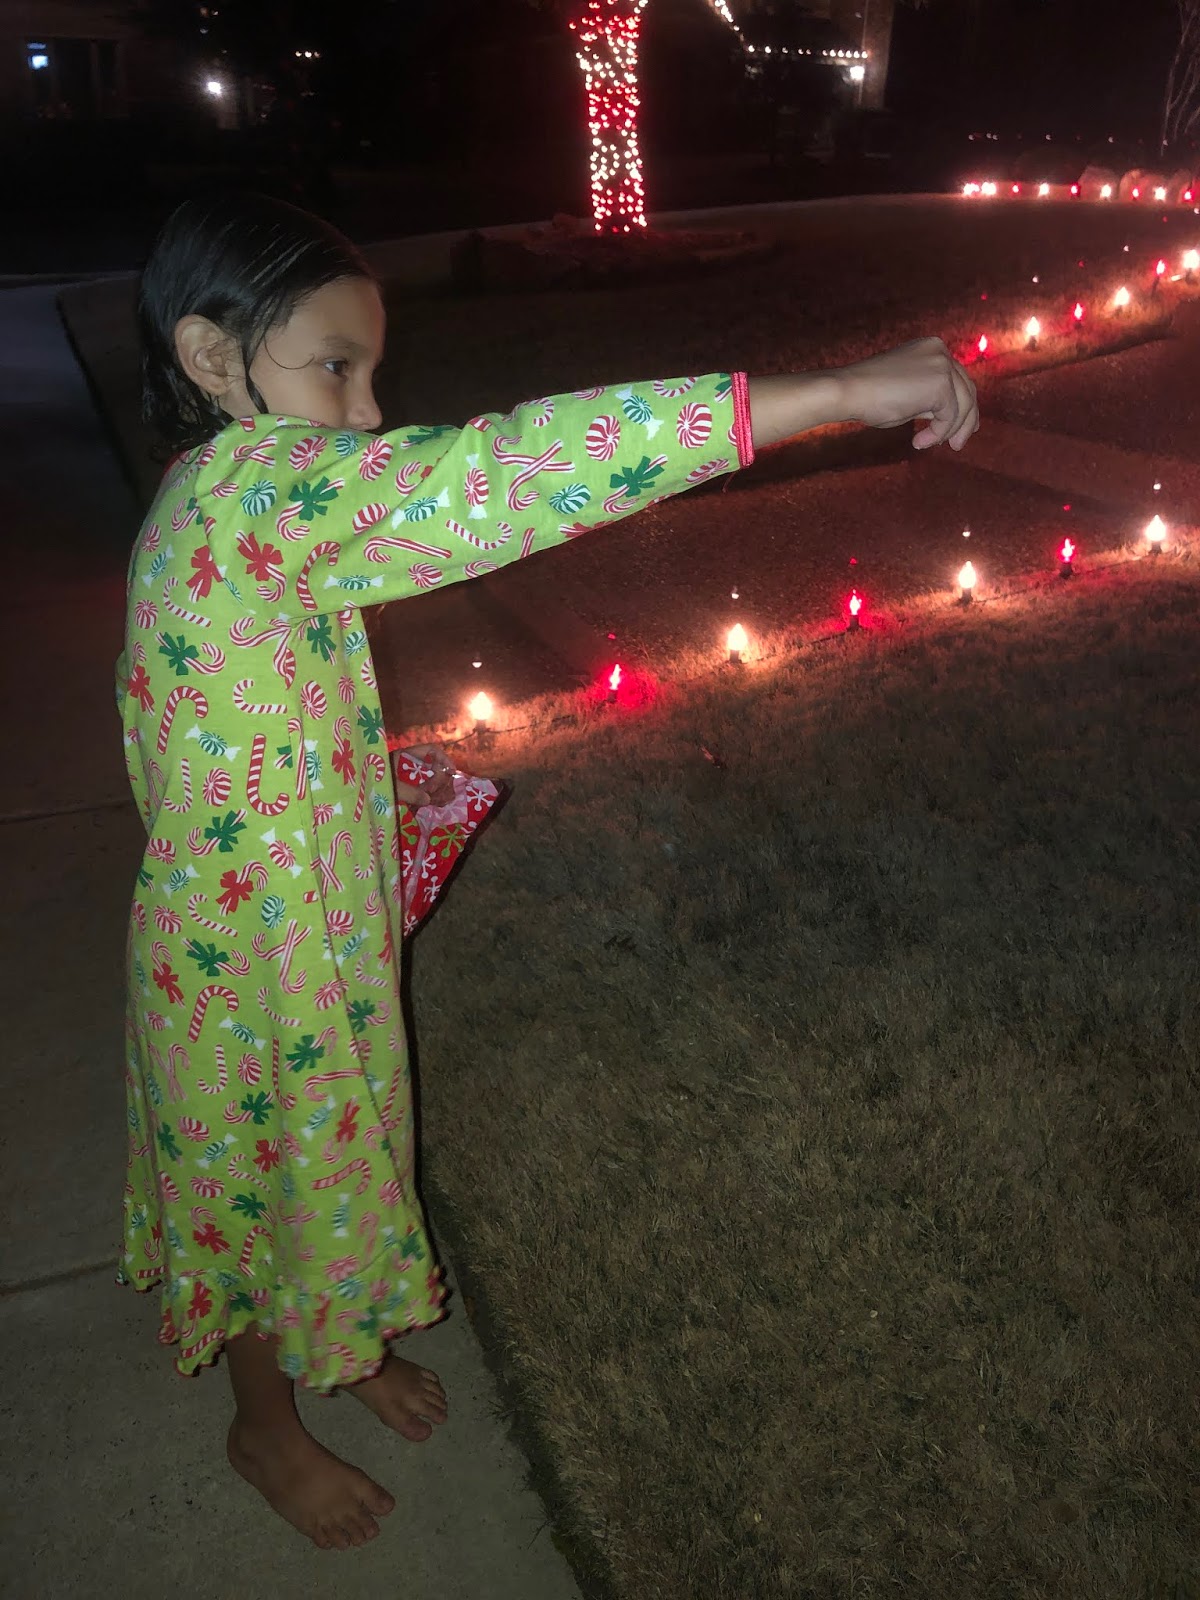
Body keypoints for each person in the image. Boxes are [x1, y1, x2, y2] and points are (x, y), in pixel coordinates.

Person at [118, 191, 977, 1552]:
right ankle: (263, 1423)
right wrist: (828, 394)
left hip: (289, 922)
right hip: (248, 967)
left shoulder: (226, 498)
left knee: (333, 1157)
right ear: (214, 357)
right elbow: (501, 475)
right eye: (335, 367)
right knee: (265, 1181)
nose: (366, 412)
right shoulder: (253, 495)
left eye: (371, 371)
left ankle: (340, 1342)